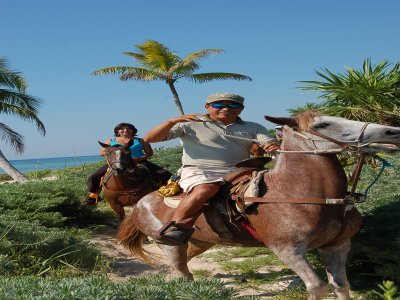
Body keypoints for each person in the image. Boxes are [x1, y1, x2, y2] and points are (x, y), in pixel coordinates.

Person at [144, 92, 280, 245]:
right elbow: (150, 139)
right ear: (207, 107)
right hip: (200, 170)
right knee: (206, 189)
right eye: (218, 105)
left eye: (233, 105)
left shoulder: (254, 126)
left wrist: (271, 146)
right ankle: (176, 227)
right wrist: (171, 121)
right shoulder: (189, 123)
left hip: (240, 171)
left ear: (241, 108)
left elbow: (268, 143)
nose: (226, 108)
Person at [84, 122, 172, 205]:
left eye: (128, 129)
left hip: (139, 162)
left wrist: (139, 158)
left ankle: (167, 192)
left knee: (165, 174)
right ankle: (94, 194)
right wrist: (113, 156)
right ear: (117, 131)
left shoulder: (141, 140)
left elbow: (149, 153)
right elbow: (102, 152)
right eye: (122, 129)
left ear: (133, 131)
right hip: (117, 163)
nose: (125, 130)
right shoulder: (111, 141)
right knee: (94, 176)